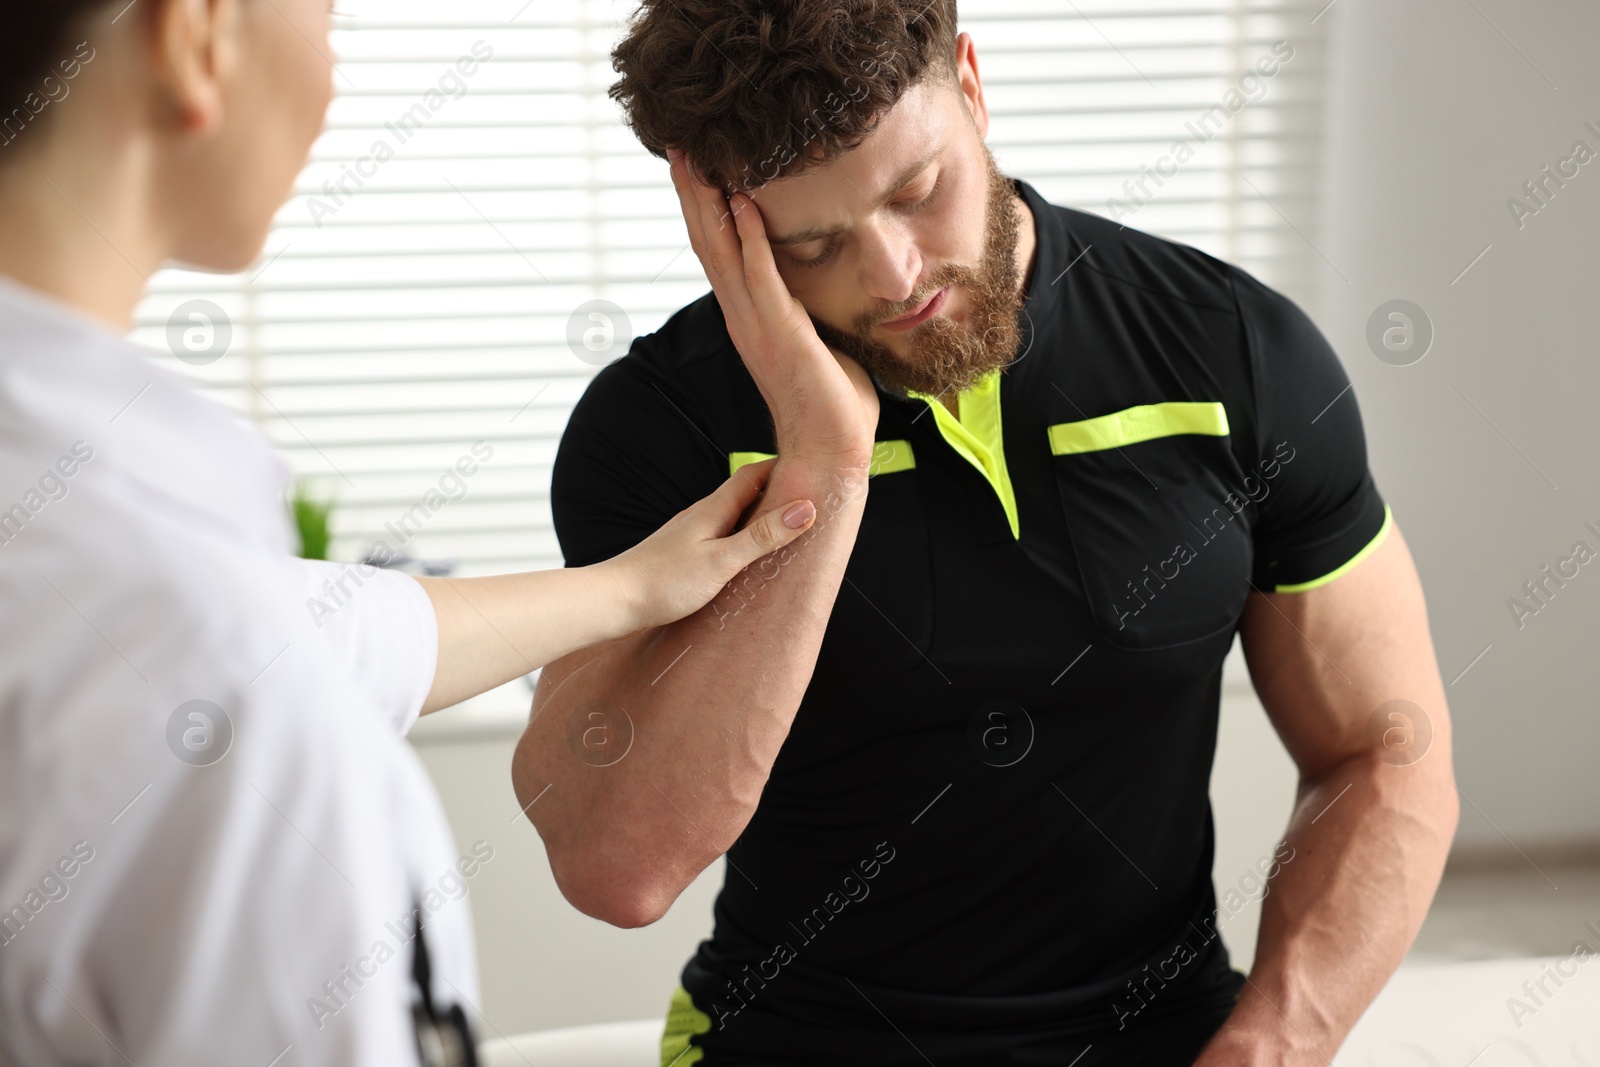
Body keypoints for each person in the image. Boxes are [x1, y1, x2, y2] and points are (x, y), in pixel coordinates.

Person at [512, 1, 1461, 1064]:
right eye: (812, 244)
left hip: (1164, 1037)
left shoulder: (1227, 351)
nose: (894, 276)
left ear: (969, 79)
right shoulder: (662, 429)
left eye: (918, 191)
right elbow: (618, 866)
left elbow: (1382, 748)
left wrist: (1275, 1042)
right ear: (721, 219)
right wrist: (824, 466)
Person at [0, 2, 820, 1064]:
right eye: (328, 16)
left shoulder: (96, 554)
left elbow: (326, 630)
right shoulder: (186, 632)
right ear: (195, 33)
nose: (333, 79)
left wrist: (631, 587)